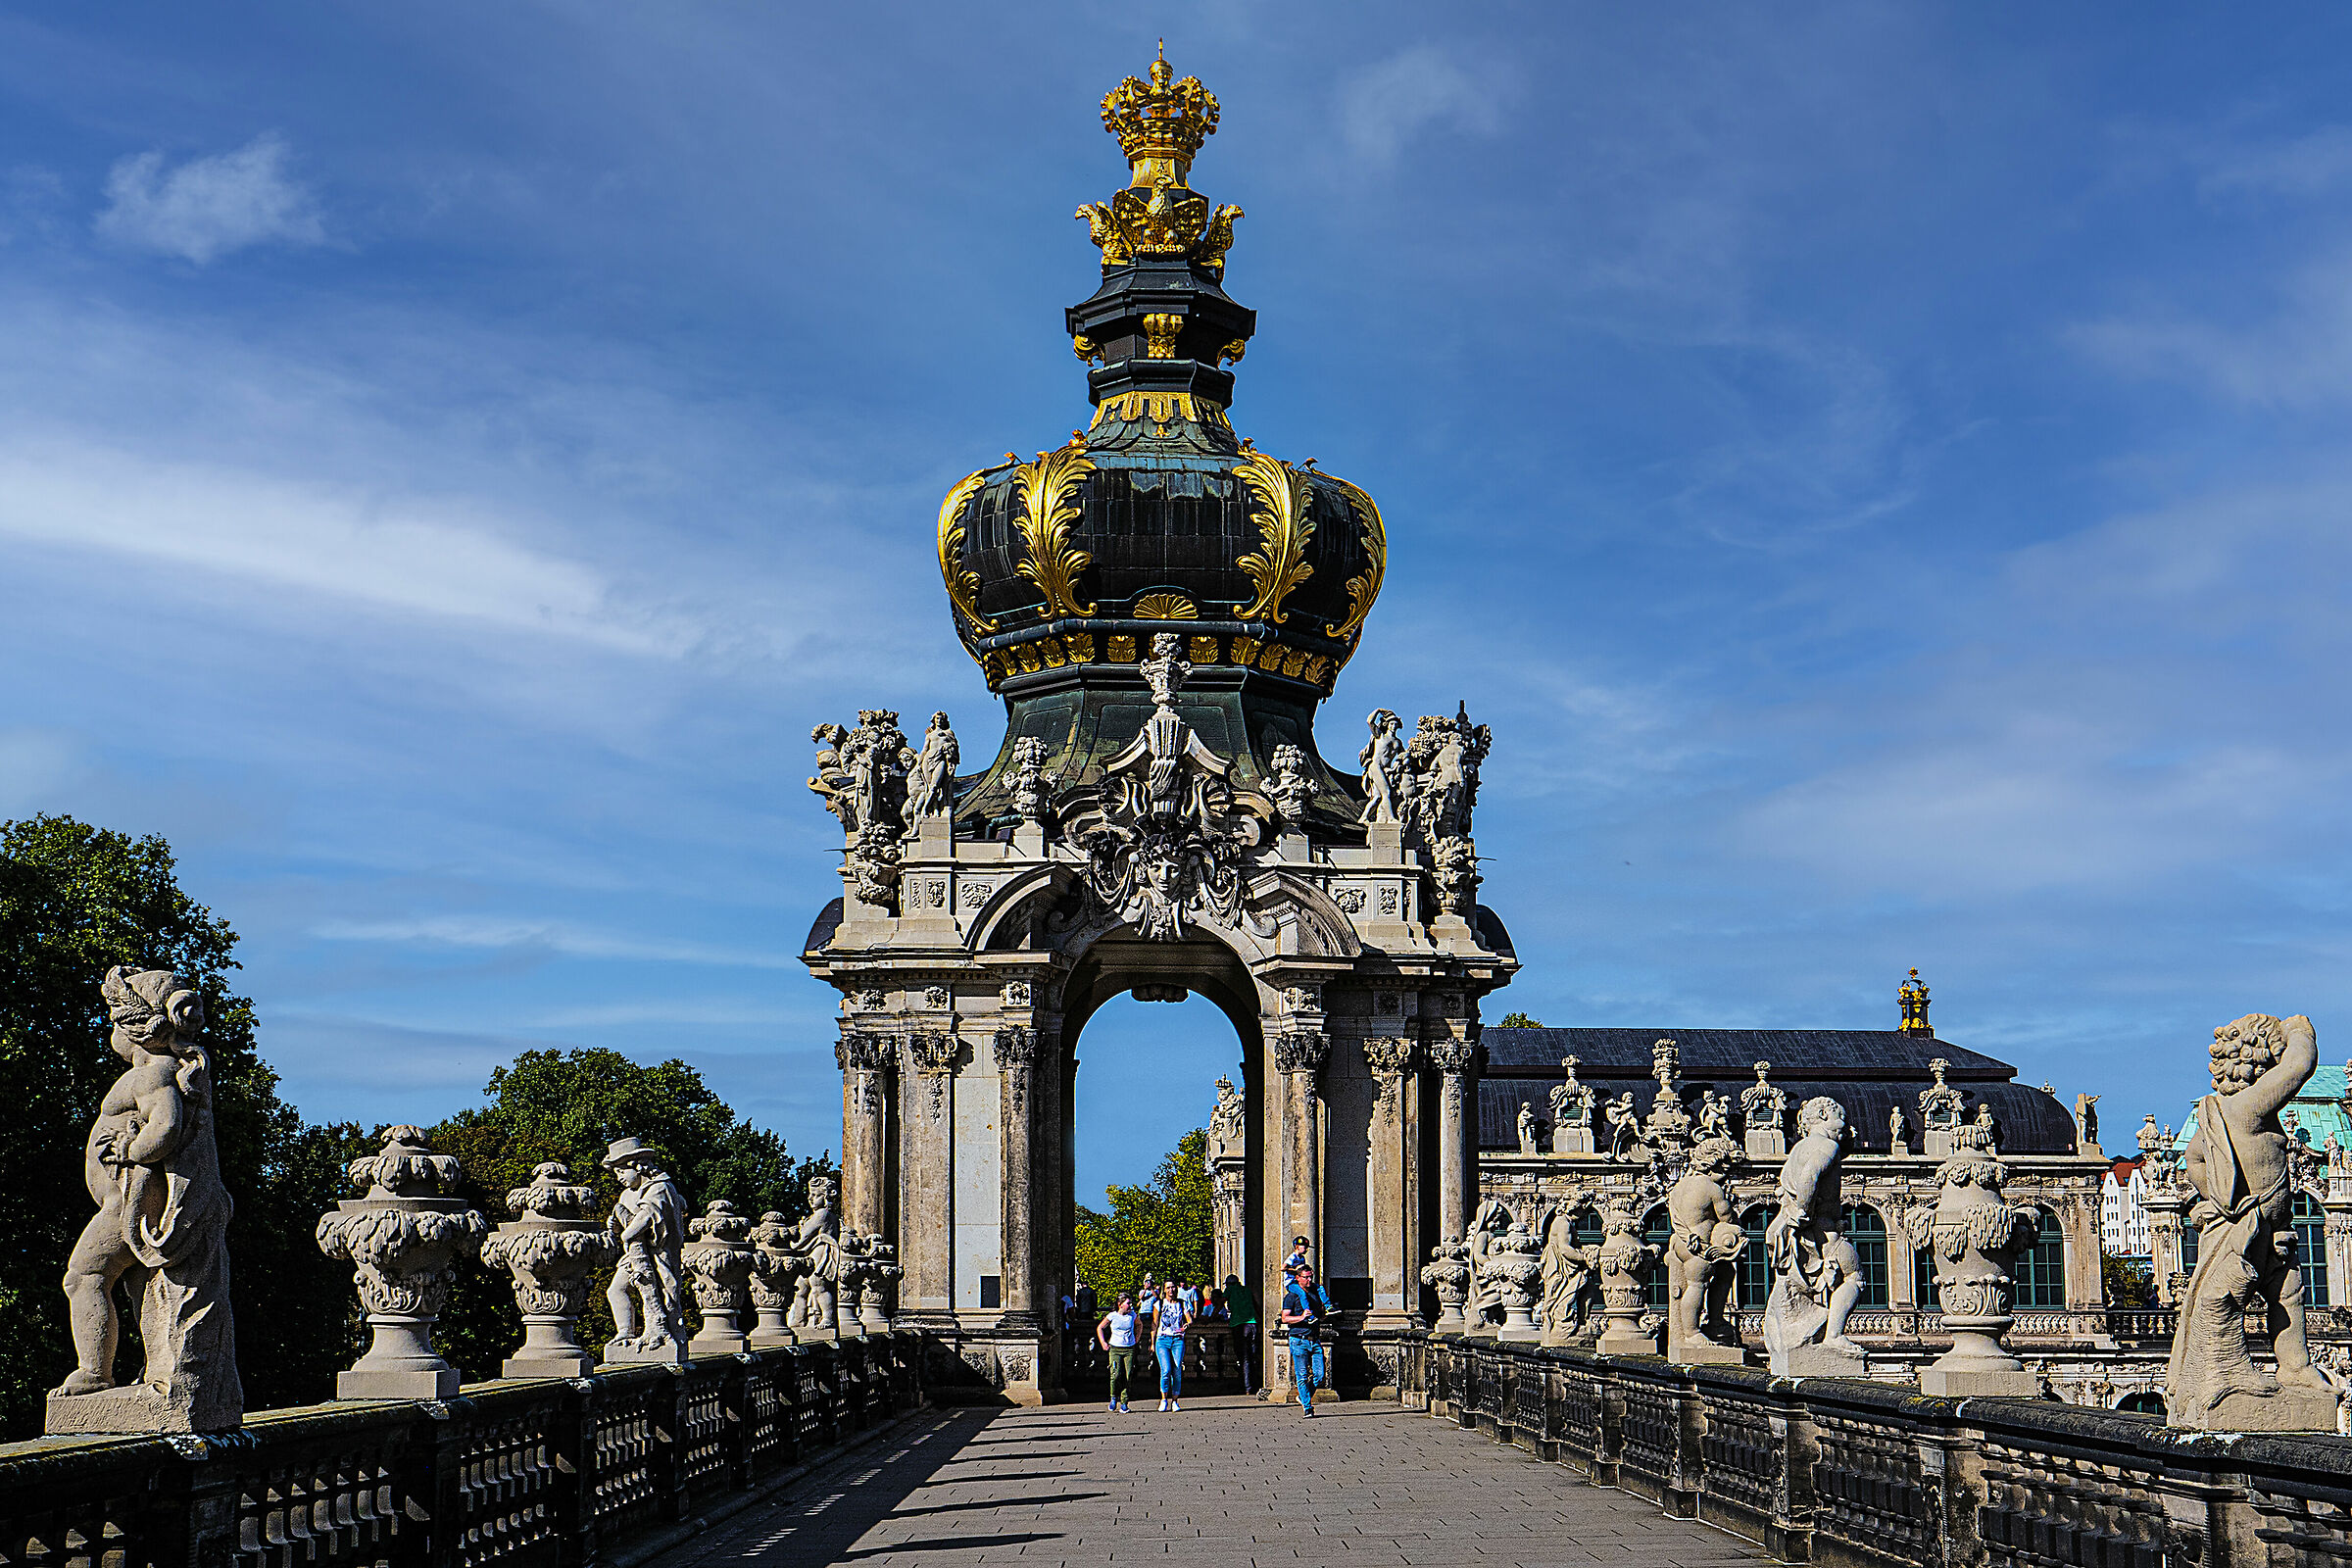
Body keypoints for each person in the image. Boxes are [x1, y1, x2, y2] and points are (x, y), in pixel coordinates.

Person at [1281, 1263, 1334, 1416]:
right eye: (1306, 1277)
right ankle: (1307, 1407)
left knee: (1320, 1375)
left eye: (1311, 1276)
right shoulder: (1291, 1296)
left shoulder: (1315, 1294)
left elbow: (1320, 1314)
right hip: (1298, 1339)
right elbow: (1285, 1318)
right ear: (1298, 1278)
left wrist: (1325, 1315)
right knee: (1302, 1375)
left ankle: (1303, 1396)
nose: (1309, 1280)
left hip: (1315, 1339)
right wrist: (1301, 1317)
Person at [1146, 1278, 1193, 1410]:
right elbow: (1154, 1324)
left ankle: (1175, 1400)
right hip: (1163, 1339)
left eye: (1173, 1287)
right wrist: (1152, 1342)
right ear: (1164, 1290)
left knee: (1177, 1370)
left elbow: (1189, 1319)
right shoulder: (1159, 1304)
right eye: (1168, 1288)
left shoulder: (1182, 1303)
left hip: (1177, 1339)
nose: (1171, 1290)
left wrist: (1186, 1326)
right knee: (1165, 1370)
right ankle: (1164, 1398)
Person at [1097, 1292, 1141, 1412]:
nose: (1130, 1305)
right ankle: (1113, 1397)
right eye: (1128, 1303)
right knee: (1115, 1374)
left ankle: (1124, 1401)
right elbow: (1100, 1327)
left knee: (1128, 1374)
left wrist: (1137, 1338)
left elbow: (1139, 1325)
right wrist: (1103, 1342)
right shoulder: (1112, 1316)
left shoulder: (1132, 1315)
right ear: (1120, 1304)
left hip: (1129, 1348)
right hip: (1115, 1348)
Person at [1224, 1273, 1260, 1395]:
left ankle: (1247, 1386)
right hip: (1253, 1324)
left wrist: (1210, 1318)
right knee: (1253, 1356)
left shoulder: (1230, 1290)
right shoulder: (1246, 1289)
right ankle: (1255, 1383)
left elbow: (1220, 1304)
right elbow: (1256, 1305)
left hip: (1239, 1325)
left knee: (1244, 1358)